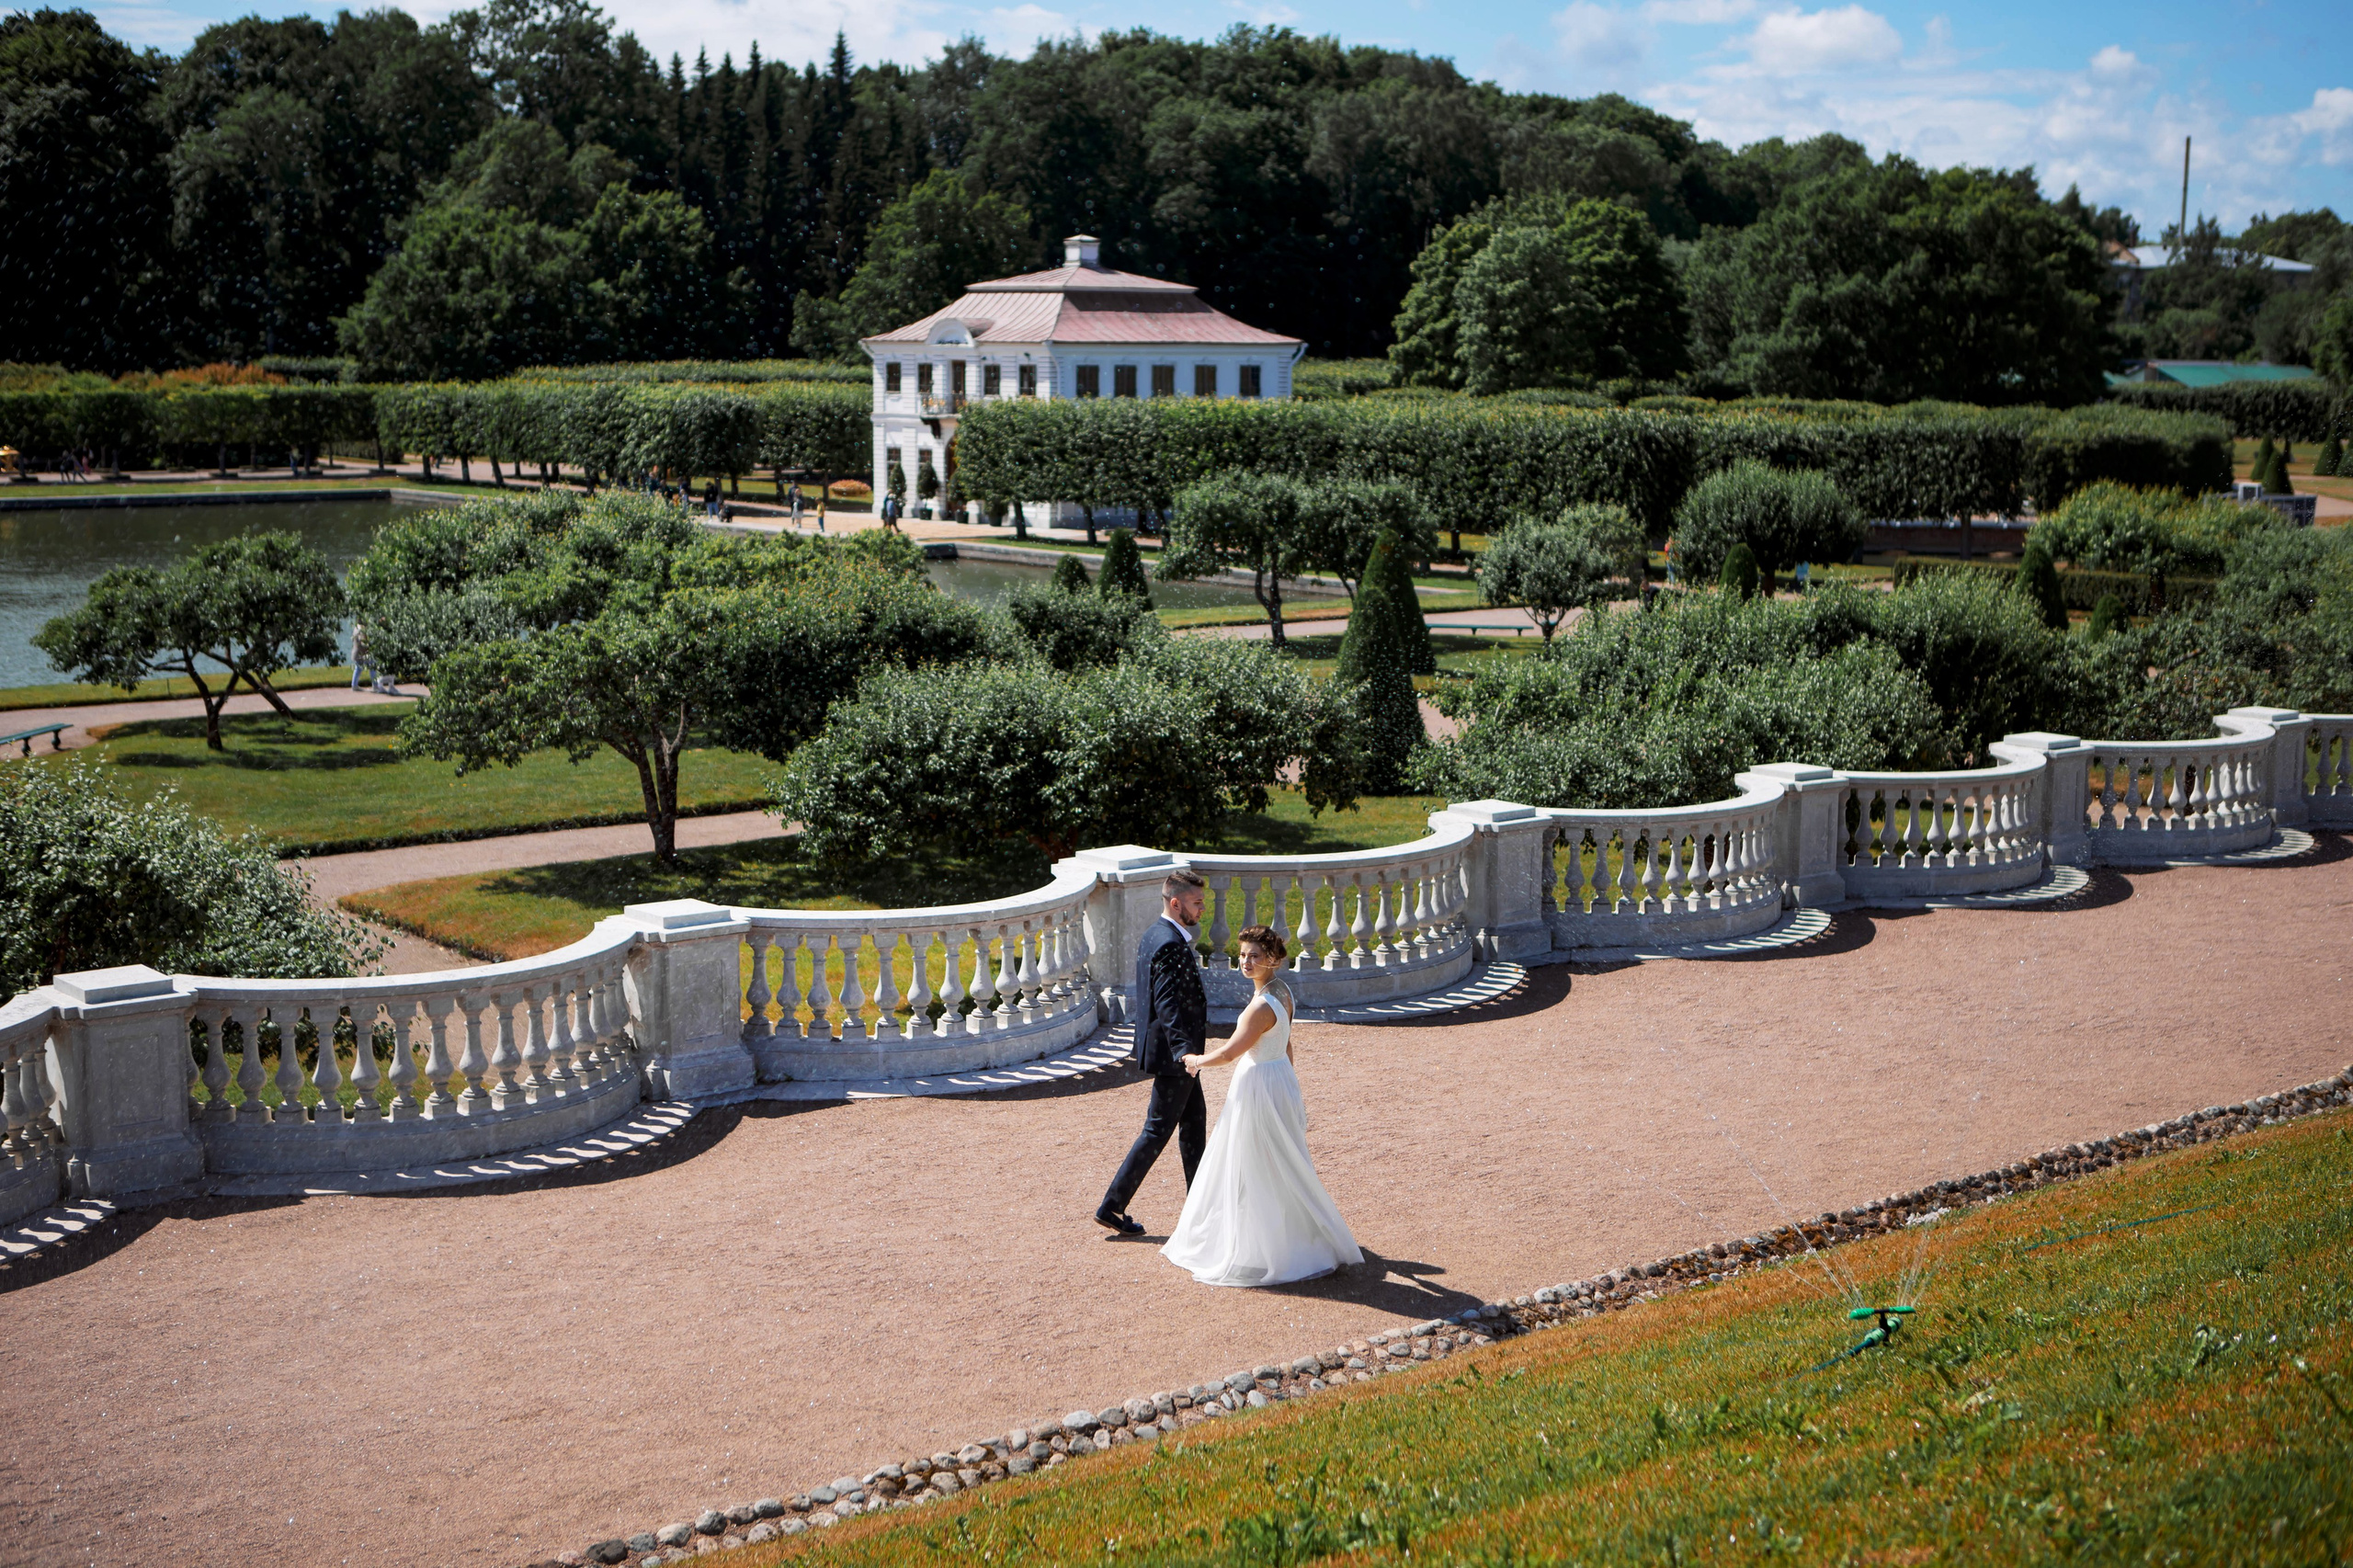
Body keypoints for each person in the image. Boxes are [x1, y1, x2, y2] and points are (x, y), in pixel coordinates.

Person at [1161, 925, 1362, 1287]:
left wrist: (1194, 1060)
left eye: (1254, 956)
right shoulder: (1282, 993)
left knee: (1252, 1161)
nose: (1245, 962)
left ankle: (1259, 1248)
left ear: (1272, 959)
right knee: (1280, 1159)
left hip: (1257, 1085)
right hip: (1278, 1078)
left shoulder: (1260, 1006)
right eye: (1242, 955)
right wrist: (1287, 1082)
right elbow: (1285, 1044)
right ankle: (1290, 1236)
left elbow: (1228, 1054)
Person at [1097, 869, 1210, 1235]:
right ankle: (1112, 1205)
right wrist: (1184, 1053)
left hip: (1179, 1055)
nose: (1202, 909)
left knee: (1193, 1126)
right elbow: (1167, 1003)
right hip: (1177, 1058)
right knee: (1157, 1130)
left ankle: (1201, 1207)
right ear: (1176, 903)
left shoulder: (1155, 935)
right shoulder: (1168, 943)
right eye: (1196, 903)